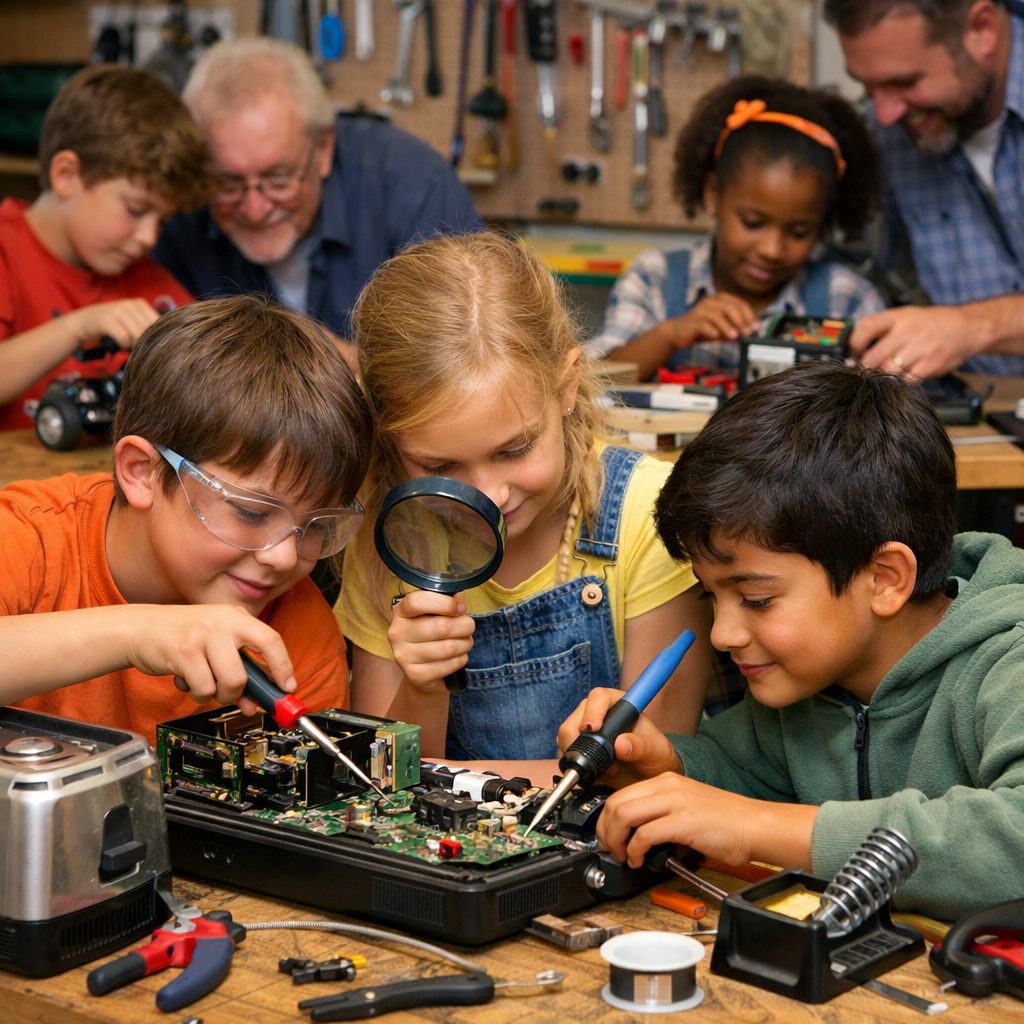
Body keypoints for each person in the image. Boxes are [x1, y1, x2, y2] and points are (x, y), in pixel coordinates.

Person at [558, 361, 1024, 921]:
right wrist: (667, 766)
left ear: (884, 579)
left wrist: (752, 827)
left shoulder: (1007, 661)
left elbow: (1012, 837)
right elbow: (740, 772)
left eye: (756, 600)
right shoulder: (808, 685)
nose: (724, 635)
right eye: (711, 598)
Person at [336, 232, 713, 773]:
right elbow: (384, 781)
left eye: (514, 449)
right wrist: (423, 687)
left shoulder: (646, 514)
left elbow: (647, 771)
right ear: (389, 443)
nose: (488, 496)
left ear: (566, 385)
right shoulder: (392, 537)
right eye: (439, 468)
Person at [0, 296, 371, 745]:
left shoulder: (297, 638)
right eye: (251, 512)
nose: (284, 556)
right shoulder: (30, 538)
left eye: (316, 526)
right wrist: (137, 633)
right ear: (143, 472)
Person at [153, 36, 483, 360]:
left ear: (323, 148)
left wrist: (349, 366)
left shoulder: (413, 188)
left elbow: (471, 364)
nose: (255, 210)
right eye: (227, 183)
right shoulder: (181, 211)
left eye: (279, 179)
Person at [585, 76, 885, 381]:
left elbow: (887, 407)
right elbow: (592, 385)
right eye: (752, 223)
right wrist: (670, 334)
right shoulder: (655, 278)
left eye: (799, 232)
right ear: (713, 194)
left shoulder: (846, 299)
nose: (772, 250)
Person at [0, 64, 209, 432]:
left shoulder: (141, 274)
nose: (149, 238)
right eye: (135, 210)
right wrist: (79, 327)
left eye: (162, 221)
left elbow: (210, 359)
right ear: (68, 175)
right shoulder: (7, 251)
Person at [824, 0, 1024, 378]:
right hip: (984, 412)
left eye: (904, 82)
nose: (884, 115)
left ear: (981, 30)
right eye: (867, 87)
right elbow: (895, 278)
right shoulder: (892, 126)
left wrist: (971, 327)